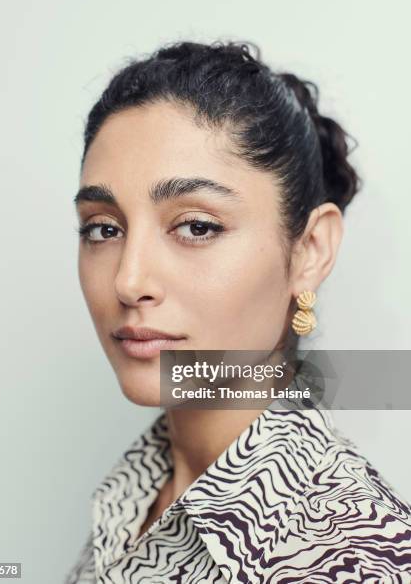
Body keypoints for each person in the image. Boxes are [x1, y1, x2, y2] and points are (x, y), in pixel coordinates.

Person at [64, 40, 411, 583]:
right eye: (103, 229)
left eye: (197, 226)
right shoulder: (131, 498)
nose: (128, 281)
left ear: (309, 250)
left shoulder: (357, 558)